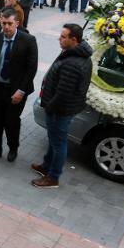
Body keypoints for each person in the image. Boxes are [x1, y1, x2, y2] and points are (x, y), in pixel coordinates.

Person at [32, 24, 92, 188]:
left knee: (59, 143)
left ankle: (53, 177)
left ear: (74, 40)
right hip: (62, 108)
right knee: (54, 139)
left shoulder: (73, 63)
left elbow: (63, 93)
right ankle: (46, 166)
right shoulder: (73, 53)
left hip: (60, 110)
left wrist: (49, 107)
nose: (59, 39)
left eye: (63, 37)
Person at [0, 9, 38, 162]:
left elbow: (31, 68)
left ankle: (13, 148)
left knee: (11, 121)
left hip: (15, 90)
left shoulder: (28, 40)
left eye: (9, 24)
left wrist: (21, 90)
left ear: (17, 23)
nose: (6, 27)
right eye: (3, 23)